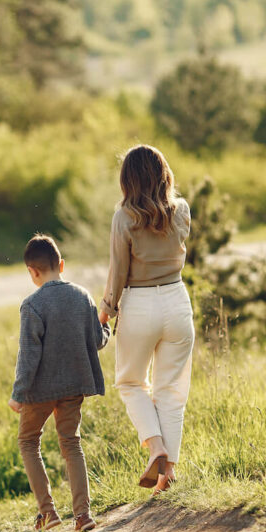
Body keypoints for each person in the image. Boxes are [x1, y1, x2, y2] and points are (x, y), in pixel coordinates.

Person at [98, 144, 194, 495]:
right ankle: (167, 474)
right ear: (164, 173)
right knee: (172, 390)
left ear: (128, 179)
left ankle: (156, 448)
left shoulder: (124, 217)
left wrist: (106, 309)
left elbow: (118, 271)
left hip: (139, 304)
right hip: (177, 299)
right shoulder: (181, 211)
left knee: (131, 383)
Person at [8, 234, 111, 532]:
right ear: (61, 265)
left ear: (32, 272)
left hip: (39, 390)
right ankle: (83, 516)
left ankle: (49, 513)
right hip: (74, 386)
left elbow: (28, 356)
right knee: (71, 443)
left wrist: (18, 394)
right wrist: (105, 327)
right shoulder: (82, 296)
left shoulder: (32, 305)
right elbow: (96, 341)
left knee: (28, 441)